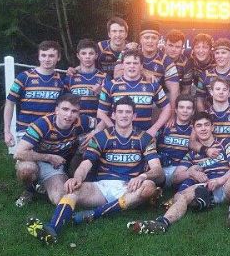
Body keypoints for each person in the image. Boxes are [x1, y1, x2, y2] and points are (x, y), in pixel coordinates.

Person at [25, 97, 163, 244]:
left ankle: (92, 214)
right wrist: (77, 177)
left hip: (130, 187)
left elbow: (157, 169)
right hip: (102, 187)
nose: (124, 115)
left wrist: (142, 176)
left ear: (134, 116)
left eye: (128, 112)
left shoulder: (145, 138)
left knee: (149, 187)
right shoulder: (101, 137)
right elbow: (86, 163)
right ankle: (52, 229)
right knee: (73, 189)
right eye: (120, 112)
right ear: (113, 115)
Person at [127, 112, 230, 233]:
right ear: (194, 129)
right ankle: (162, 222)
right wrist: (190, 173)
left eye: (206, 125)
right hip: (207, 187)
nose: (203, 129)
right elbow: (175, 178)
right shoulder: (191, 154)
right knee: (181, 196)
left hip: (226, 185)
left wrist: (219, 180)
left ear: (212, 127)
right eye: (199, 126)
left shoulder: (226, 143)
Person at [12, 94, 98, 207]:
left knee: (59, 198)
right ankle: (29, 189)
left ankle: (43, 185)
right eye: (65, 109)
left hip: (55, 166)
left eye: (74, 111)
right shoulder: (42, 124)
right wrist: (49, 157)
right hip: (34, 159)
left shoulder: (82, 121)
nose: (69, 115)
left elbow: (102, 122)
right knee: (26, 170)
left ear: (78, 113)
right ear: (57, 110)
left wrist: (94, 132)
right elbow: (19, 153)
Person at [4, 40, 66, 152]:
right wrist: (7, 131)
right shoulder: (24, 77)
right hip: (25, 130)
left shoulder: (62, 80)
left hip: (49, 133)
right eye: (43, 55)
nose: (47, 59)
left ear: (58, 57)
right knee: (27, 169)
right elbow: (10, 103)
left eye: (51, 56)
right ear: (38, 57)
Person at [97, 49, 171, 137]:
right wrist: (113, 128)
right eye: (128, 63)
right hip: (118, 137)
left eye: (135, 63)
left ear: (141, 66)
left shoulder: (152, 85)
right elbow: (101, 112)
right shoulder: (110, 86)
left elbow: (167, 107)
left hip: (144, 136)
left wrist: (154, 129)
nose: (132, 66)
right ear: (123, 65)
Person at [136, 20, 180, 107]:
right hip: (130, 96)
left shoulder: (166, 60)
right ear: (140, 39)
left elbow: (174, 90)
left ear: (159, 40)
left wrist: (171, 115)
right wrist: (142, 71)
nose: (150, 41)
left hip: (153, 99)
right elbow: (117, 74)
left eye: (154, 38)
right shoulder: (129, 52)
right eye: (146, 37)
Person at [156, 94, 196, 189]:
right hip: (162, 168)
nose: (185, 111)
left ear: (193, 111)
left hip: (181, 169)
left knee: (189, 180)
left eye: (189, 108)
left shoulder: (195, 129)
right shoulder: (165, 126)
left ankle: (181, 195)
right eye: (181, 107)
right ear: (176, 110)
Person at [64, 39, 107, 119]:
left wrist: (101, 93)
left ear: (96, 55)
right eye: (83, 53)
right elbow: (64, 104)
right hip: (75, 122)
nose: (87, 57)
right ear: (78, 56)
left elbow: (110, 104)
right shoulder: (70, 77)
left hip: (97, 123)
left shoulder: (104, 77)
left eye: (91, 53)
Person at [163, 29, 194, 94]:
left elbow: (186, 89)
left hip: (176, 93)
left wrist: (180, 103)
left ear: (182, 48)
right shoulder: (157, 57)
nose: (173, 49)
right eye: (170, 45)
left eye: (177, 47)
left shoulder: (186, 63)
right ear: (165, 45)